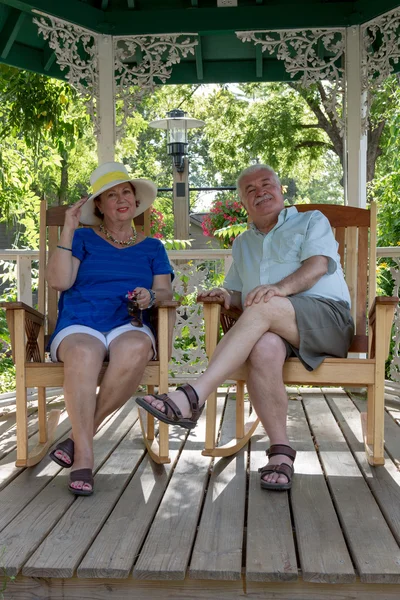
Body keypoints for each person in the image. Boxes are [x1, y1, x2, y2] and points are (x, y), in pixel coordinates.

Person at [136, 164, 354, 491]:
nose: (259, 192)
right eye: (250, 190)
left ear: (281, 191)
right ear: (243, 202)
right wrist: (224, 294)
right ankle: (280, 451)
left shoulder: (311, 220)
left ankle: (192, 396)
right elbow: (239, 292)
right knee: (263, 348)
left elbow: (317, 266)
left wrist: (278, 289)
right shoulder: (242, 244)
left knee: (262, 304)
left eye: (266, 184)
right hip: (278, 328)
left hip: (327, 319)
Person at [46, 161, 174, 496]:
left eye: (126, 192)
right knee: (85, 352)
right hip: (80, 322)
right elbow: (59, 281)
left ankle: (77, 437)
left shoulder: (153, 247)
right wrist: (69, 228)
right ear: (99, 206)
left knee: (135, 348)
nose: (121, 198)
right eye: (110, 194)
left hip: (128, 322)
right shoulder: (84, 239)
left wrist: (151, 295)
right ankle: (85, 457)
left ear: (135, 200)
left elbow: (166, 292)